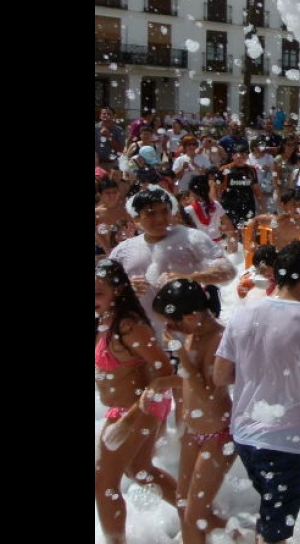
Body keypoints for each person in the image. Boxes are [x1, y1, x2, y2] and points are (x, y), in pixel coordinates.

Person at [213, 240, 300, 544]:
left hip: (245, 436)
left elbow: (220, 374)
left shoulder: (245, 312)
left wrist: (257, 368)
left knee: (268, 512)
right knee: (275, 533)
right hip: (286, 441)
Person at [94, 258, 179, 544]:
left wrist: (129, 418)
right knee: (141, 472)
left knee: (103, 484)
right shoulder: (104, 321)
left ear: (117, 291)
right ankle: (204, 516)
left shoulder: (129, 326)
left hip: (137, 408)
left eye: (98, 292)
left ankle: (115, 542)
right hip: (127, 408)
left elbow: (166, 374)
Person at [149, 279, 236, 544]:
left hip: (218, 435)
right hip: (194, 432)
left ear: (192, 315)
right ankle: (238, 535)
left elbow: (207, 394)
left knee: (193, 514)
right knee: (185, 504)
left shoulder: (219, 339)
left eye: (174, 323)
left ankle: (246, 536)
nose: (170, 329)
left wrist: (180, 354)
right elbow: (189, 380)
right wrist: (163, 383)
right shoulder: (192, 333)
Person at [108, 186, 238, 335]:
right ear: (136, 218)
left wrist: (188, 279)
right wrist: (126, 289)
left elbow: (228, 271)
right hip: (143, 338)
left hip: (187, 334)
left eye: (165, 211)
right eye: (150, 213)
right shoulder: (124, 250)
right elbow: (104, 287)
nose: (160, 219)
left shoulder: (191, 238)